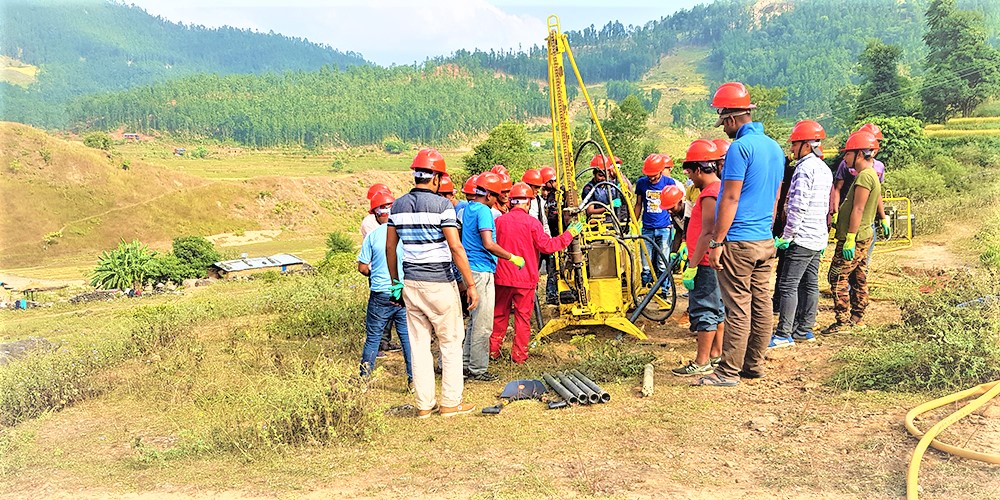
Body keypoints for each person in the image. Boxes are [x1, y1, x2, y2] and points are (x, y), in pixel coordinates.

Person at [694, 82, 784, 387]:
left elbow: (730, 198)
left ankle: (728, 371)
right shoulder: (774, 147)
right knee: (762, 304)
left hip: (739, 241)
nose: (724, 130)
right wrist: (767, 232)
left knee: (737, 307)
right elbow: (774, 198)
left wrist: (717, 241)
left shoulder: (739, 149)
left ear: (731, 119)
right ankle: (753, 365)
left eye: (723, 123)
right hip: (764, 240)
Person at [386, 148, 479, 418]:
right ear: (436, 178)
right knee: (450, 342)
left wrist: (396, 284)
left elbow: (390, 248)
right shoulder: (443, 206)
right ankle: (451, 402)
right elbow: (455, 247)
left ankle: (423, 406)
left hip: (411, 284)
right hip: (439, 283)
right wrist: (470, 285)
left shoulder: (398, 206)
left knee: (419, 345)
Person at [491, 182, 581, 363]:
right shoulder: (533, 223)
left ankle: (492, 352)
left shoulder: (499, 221)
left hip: (502, 277)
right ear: (528, 203)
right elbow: (547, 247)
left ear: (511, 202)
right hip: (525, 279)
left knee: (499, 315)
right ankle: (519, 356)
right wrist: (569, 234)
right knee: (523, 318)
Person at [769, 120, 834, 348]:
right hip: (817, 237)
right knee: (810, 284)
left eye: (795, 145)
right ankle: (805, 329)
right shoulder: (824, 169)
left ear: (806, 145)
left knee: (788, 285)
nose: (792, 150)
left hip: (802, 237)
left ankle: (783, 334)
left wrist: (787, 236)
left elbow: (798, 206)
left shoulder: (804, 169)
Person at [460, 172, 525, 382]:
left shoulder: (468, 208)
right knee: (484, 323)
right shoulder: (485, 212)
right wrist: (511, 257)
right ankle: (478, 370)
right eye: (496, 197)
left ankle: (465, 363)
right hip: (481, 270)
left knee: (473, 320)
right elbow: (488, 243)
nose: (497, 201)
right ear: (488, 195)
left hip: (470, 269)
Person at [672, 140, 726, 376]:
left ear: (699, 169)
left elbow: (708, 232)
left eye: (690, 172)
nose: (690, 178)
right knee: (717, 309)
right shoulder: (716, 190)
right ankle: (715, 354)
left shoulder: (710, 194)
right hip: (706, 259)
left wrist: (692, 265)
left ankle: (702, 360)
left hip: (705, 262)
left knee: (705, 310)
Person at [823, 131, 883, 335]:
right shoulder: (870, 173)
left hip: (856, 238)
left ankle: (842, 321)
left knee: (838, 277)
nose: (844, 158)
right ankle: (857, 316)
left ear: (859, 154)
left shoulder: (865, 176)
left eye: (847, 154)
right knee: (858, 276)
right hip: (863, 235)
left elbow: (858, 208)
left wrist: (849, 237)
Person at [358, 191, 412, 386]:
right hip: (402, 292)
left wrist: (374, 275)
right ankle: (412, 381)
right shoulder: (406, 233)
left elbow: (363, 267)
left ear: (376, 214)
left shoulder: (372, 236)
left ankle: (364, 380)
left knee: (373, 338)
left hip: (380, 293)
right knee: (407, 338)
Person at [634, 153, 680, 291]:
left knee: (662, 262)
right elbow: (638, 204)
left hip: (664, 228)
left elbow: (675, 204)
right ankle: (646, 289)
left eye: (654, 174)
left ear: (660, 171)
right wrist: (634, 224)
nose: (651, 178)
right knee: (646, 263)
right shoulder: (642, 183)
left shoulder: (669, 183)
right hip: (647, 228)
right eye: (649, 175)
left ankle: (663, 290)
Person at [581, 155, 627, 225]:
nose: (603, 178)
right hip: (598, 224)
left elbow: (628, 200)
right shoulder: (589, 189)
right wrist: (609, 207)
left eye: (606, 175)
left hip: (615, 222)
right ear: (594, 173)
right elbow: (590, 211)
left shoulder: (613, 185)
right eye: (600, 175)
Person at [540, 165, 562, 305]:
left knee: (555, 266)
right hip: (544, 237)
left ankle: (554, 295)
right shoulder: (543, 198)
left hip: (557, 237)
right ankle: (548, 295)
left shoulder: (560, 194)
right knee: (547, 267)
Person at [521, 168, 552, 237]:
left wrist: (548, 238)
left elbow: (544, 222)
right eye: (536, 187)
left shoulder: (539, 200)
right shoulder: (518, 200)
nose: (538, 190)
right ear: (527, 185)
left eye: (539, 187)